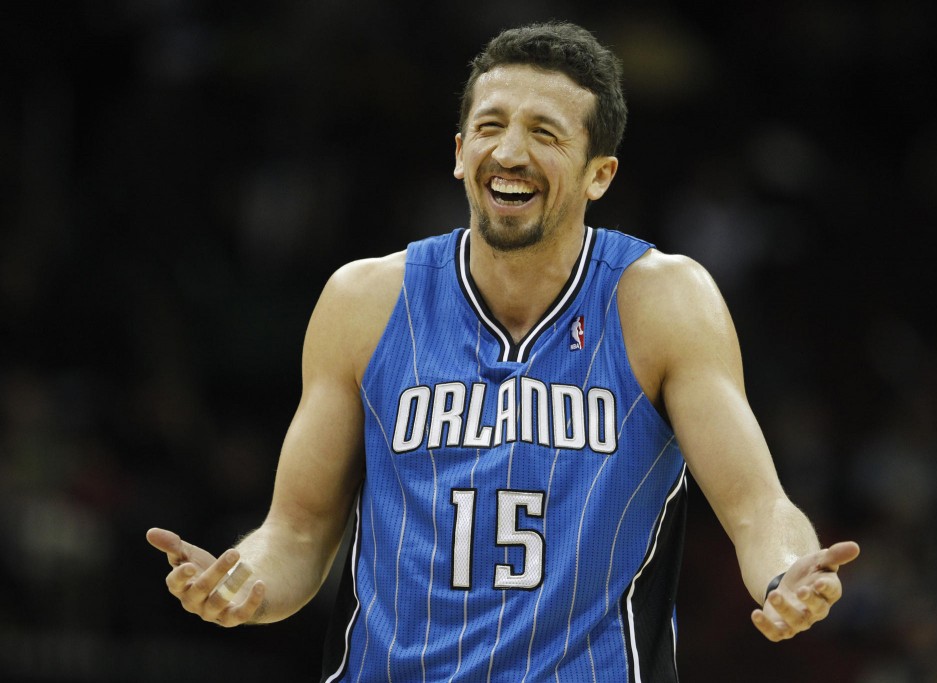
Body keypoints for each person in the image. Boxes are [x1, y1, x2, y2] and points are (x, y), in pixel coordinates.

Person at [147, 21, 860, 682]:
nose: (510, 151)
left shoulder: (661, 302)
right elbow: (297, 532)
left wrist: (788, 573)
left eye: (544, 133)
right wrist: (246, 582)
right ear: (460, 154)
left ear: (599, 174)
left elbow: (759, 508)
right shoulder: (364, 301)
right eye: (490, 126)